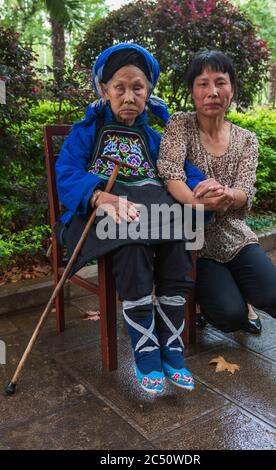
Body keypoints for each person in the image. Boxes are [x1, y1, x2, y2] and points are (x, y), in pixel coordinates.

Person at [55, 43, 210, 394]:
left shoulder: (155, 137)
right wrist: (98, 195)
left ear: (148, 92)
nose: (128, 96)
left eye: (137, 88)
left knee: (179, 235)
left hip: (150, 213)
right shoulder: (87, 132)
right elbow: (65, 172)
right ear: (104, 90)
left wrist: (204, 187)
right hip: (98, 215)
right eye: (119, 88)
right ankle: (144, 344)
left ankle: (171, 341)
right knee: (131, 241)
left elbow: (183, 170)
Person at [157, 50, 276, 335]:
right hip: (195, 241)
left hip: (233, 234)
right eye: (203, 83)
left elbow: (245, 190)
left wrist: (228, 195)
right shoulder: (180, 124)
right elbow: (170, 173)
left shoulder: (246, 139)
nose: (212, 92)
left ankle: (241, 294)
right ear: (192, 91)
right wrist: (201, 203)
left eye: (221, 82)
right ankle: (211, 303)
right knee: (230, 317)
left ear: (232, 89)